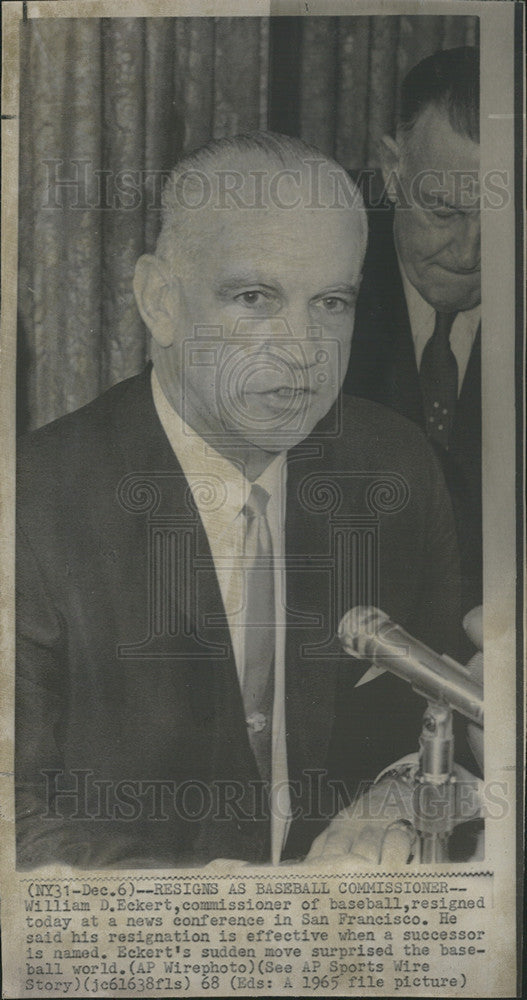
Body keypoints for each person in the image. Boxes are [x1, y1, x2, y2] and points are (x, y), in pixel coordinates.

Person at [16, 132, 467, 870]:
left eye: (330, 301)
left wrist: (395, 800)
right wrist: (226, 912)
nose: (301, 346)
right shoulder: (32, 507)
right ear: (159, 301)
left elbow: (432, 717)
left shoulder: (397, 470)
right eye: (254, 297)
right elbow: (15, 817)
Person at [343, 47, 482, 618]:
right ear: (393, 170)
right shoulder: (313, 252)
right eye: (444, 212)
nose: (470, 253)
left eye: (502, 217)